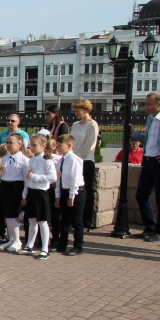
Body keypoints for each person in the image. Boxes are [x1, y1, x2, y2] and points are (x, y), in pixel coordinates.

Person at [132, 92, 160, 242]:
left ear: (159, 104)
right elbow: (148, 140)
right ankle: (150, 226)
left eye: (148, 104)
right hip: (148, 161)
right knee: (141, 195)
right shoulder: (150, 118)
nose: (145, 107)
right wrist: (133, 133)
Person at [20, 133, 57, 259]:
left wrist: (35, 177)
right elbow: (28, 179)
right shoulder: (32, 160)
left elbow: (52, 177)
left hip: (41, 193)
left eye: (34, 145)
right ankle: (30, 245)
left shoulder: (47, 160)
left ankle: (45, 249)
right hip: (32, 192)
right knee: (31, 220)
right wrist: (24, 194)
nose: (31, 148)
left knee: (42, 221)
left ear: (43, 146)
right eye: (30, 145)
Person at [0, 133, 30, 252]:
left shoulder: (24, 160)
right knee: (7, 214)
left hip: (16, 187)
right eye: (7, 143)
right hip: (5, 186)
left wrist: (24, 195)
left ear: (19, 144)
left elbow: (26, 179)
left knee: (13, 214)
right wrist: (0, 172)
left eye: (11, 143)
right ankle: (11, 239)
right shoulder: (5, 158)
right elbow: (1, 175)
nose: (8, 145)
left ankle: (17, 241)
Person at [69, 98, 99, 231]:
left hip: (85, 161)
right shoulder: (76, 124)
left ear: (86, 110)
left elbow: (89, 144)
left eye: (78, 111)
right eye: (75, 111)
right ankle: (74, 219)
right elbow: (71, 141)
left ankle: (86, 221)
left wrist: (77, 157)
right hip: (74, 160)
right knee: (73, 190)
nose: (76, 113)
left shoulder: (92, 125)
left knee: (86, 190)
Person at [55, 134, 86, 255]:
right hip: (64, 190)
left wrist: (72, 196)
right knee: (65, 219)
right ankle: (62, 243)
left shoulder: (73, 159)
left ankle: (78, 246)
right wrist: (58, 195)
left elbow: (75, 179)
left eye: (60, 145)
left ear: (69, 146)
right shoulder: (61, 160)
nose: (57, 147)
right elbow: (59, 179)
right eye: (57, 145)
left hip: (76, 191)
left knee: (77, 220)